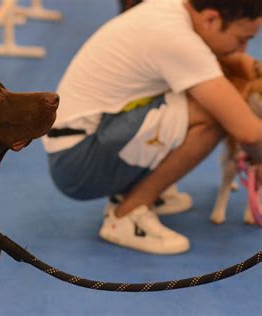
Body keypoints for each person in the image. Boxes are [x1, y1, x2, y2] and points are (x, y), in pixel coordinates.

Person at [42, 0, 262, 255]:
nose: (243, 48)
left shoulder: (173, 9)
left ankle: (137, 190)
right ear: (212, 19)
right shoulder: (177, 40)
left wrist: (254, 69)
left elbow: (229, 58)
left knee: (209, 94)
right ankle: (127, 215)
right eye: (242, 39)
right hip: (78, 165)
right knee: (216, 113)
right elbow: (249, 132)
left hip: (81, 141)